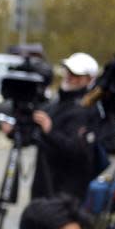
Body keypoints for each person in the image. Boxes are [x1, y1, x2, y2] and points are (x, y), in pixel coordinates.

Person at [26, 52, 102, 201]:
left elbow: (78, 151)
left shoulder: (88, 110)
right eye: (68, 71)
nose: (70, 77)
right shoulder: (56, 103)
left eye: (76, 74)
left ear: (89, 79)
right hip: (43, 184)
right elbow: (36, 136)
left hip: (66, 192)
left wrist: (50, 131)